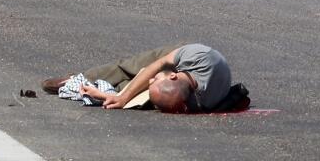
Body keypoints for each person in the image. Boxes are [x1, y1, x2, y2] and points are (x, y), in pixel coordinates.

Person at [41, 44, 236, 113]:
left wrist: (106, 95)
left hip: (180, 82)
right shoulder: (197, 56)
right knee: (133, 66)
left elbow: (150, 93)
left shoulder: (194, 102)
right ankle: (84, 77)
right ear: (174, 76)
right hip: (181, 54)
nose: (151, 81)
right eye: (155, 81)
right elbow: (155, 67)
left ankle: (98, 88)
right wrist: (124, 98)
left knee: (141, 97)